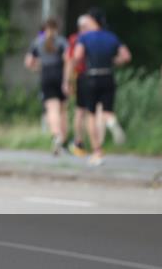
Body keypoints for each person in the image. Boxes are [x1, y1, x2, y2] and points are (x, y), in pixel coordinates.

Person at [72, 10, 132, 167]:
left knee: (91, 115)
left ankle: (97, 151)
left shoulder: (85, 37)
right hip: (108, 76)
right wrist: (114, 61)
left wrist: (72, 68)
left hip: (91, 76)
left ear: (93, 20)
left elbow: (77, 56)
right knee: (106, 112)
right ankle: (112, 123)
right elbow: (126, 56)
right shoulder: (111, 37)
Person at [25, 18, 69, 155]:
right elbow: (68, 59)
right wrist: (67, 80)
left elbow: (28, 62)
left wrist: (37, 69)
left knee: (51, 109)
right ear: (56, 28)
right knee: (63, 110)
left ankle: (56, 136)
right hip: (60, 74)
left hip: (46, 75)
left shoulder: (37, 42)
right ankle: (63, 140)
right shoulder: (61, 41)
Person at [63, 15, 94, 156]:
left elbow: (69, 60)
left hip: (81, 76)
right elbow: (71, 60)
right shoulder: (92, 38)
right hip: (89, 75)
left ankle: (79, 142)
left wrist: (67, 81)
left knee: (80, 111)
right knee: (89, 111)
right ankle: (91, 143)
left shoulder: (74, 39)